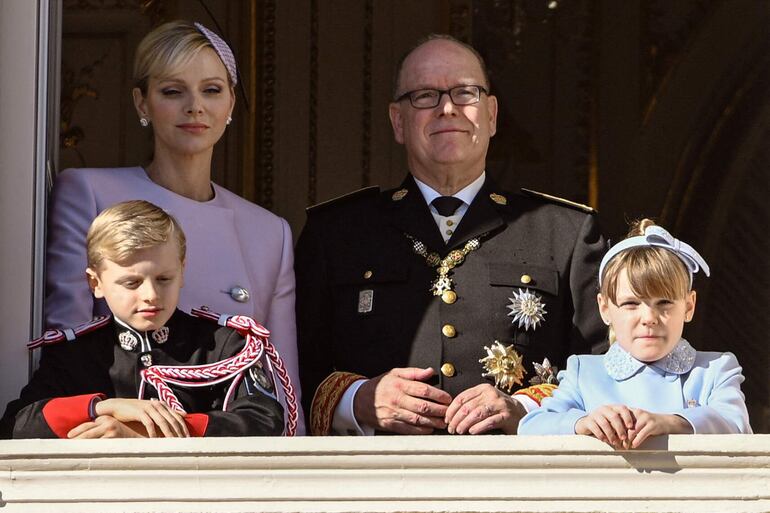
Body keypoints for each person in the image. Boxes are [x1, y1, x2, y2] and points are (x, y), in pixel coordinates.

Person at [295, 34, 607, 436]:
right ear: (397, 121)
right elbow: (288, 371)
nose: (447, 109)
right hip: (375, 486)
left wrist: (525, 408)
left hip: (516, 486)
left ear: (491, 115)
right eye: (425, 95)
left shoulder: (564, 233)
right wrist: (359, 399)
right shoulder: (336, 234)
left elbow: (609, 370)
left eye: (465, 93)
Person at [44, 21, 304, 433]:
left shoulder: (269, 231)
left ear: (231, 102)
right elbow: (65, 345)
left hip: (225, 462)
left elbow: (283, 389)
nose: (195, 106)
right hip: (108, 455)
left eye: (212, 90)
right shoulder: (89, 191)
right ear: (142, 103)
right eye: (172, 91)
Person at [2, 200, 297, 439]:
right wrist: (105, 408)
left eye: (164, 278)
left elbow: (263, 422)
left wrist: (145, 432)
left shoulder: (222, 344)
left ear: (182, 271)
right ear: (95, 284)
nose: (151, 295)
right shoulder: (75, 354)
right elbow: (15, 426)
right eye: (131, 283)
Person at [518, 220, 752, 447]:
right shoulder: (584, 371)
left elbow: (736, 423)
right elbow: (531, 426)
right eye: (631, 304)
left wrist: (670, 422)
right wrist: (583, 422)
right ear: (605, 309)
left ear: (689, 306)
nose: (649, 317)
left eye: (664, 303)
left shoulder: (715, 369)